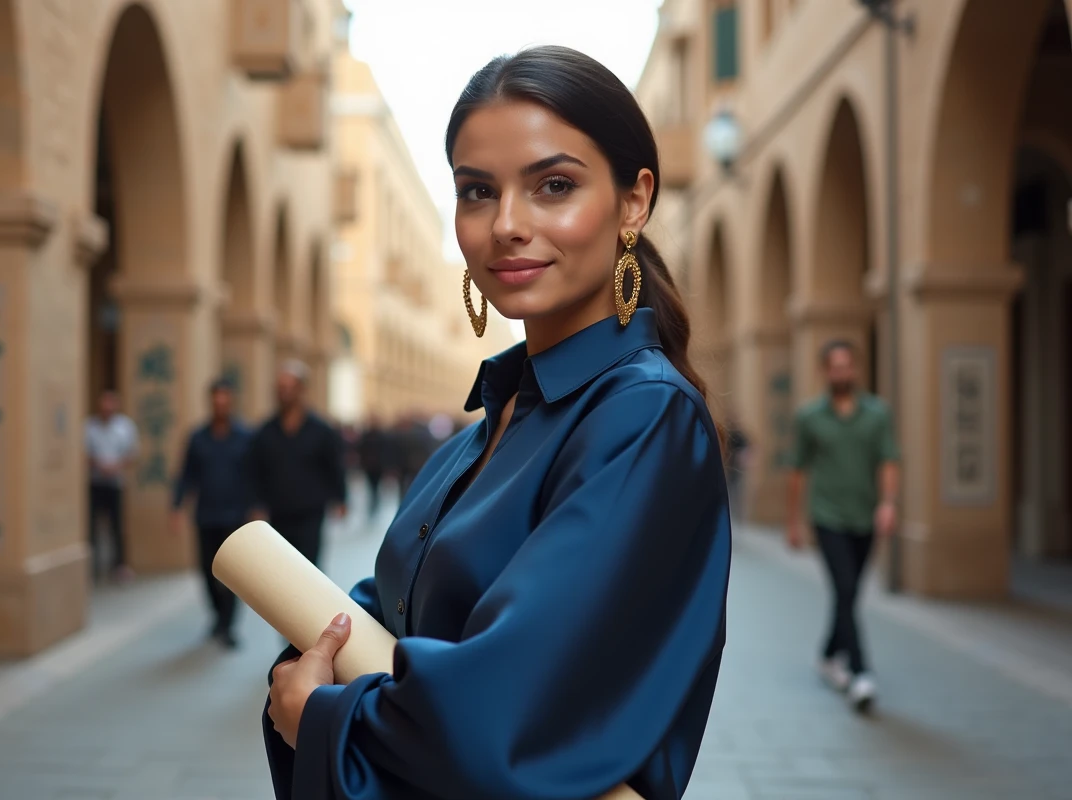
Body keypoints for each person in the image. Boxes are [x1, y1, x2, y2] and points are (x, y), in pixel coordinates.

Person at [262, 46, 732, 800]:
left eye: (554, 185)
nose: (507, 224)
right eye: (478, 191)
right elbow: (395, 612)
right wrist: (316, 652)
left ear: (634, 202)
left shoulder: (645, 415)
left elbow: (507, 717)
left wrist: (322, 714)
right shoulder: (483, 428)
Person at [786, 339, 901, 714]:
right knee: (846, 587)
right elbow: (797, 471)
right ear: (825, 371)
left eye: (847, 366)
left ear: (856, 368)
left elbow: (888, 460)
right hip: (827, 517)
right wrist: (793, 522)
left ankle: (827, 654)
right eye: (834, 367)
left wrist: (888, 503)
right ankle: (860, 672)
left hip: (864, 516)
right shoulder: (810, 417)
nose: (841, 372)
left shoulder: (877, 414)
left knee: (848, 594)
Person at [171, 379, 252, 649]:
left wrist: (257, 508)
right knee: (207, 571)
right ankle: (218, 616)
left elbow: (255, 476)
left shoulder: (245, 437)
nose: (221, 404)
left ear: (231, 401)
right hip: (206, 515)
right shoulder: (198, 437)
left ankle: (227, 626)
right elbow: (186, 475)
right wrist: (177, 506)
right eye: (216, 399)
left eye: (225, 399)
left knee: (233, 574)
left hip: (236, 516)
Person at [245, 360, 348, 567]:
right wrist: (255, 504)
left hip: (311, 513)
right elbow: (255, 471)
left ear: (302, 389)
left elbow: (334, 466)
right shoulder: (265, 431)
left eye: (289, 387)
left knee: (308, 567)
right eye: (280, 388)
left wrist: (341, 498)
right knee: (281, 568)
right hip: (277, 513)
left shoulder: (321, 430)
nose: (284, 393)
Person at [84, 390, 139, 582]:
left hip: (116, 483)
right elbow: (83, 453)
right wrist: (98, 465)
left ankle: (119, 565)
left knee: (117, 525)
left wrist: (116, 466)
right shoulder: (89, 427)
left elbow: (132, 453)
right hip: (95, 482)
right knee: (91, 525)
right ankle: (92, 567)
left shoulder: (125, 427)